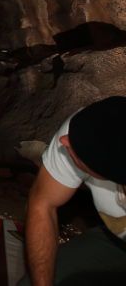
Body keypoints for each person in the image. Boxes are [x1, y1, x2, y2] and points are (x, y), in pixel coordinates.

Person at [20, 96, 126, 286]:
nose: (64, 140)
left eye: (81, 149)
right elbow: (43, 205)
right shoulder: (84, 127)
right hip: (116, 242)